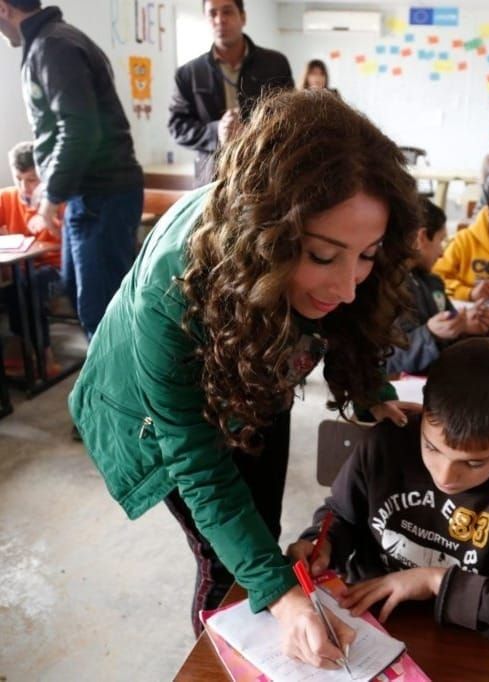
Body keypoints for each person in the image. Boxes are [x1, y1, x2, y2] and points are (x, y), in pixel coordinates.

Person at [68, 90, 422, 669]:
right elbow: (200, 467)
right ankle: (219, 659)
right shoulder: (171, 294)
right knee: (228, 560)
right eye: (325, 256)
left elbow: (353, 314)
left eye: (368, 254)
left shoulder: (325, 256)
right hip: (158, 411)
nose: (349, 285)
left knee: (260, 524)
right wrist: (281, 596)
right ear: (267, 238)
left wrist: (370, 387)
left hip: (251, 363)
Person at [288, 337, 489, 649]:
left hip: (456, 638)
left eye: (473, 463)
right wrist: (322, 542)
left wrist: (435, 581)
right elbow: (341, 514)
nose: (445, 476)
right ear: (422, 411)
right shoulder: (384, 445)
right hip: (365, 617)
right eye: (431, 447)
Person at [0, 0, 144, 338]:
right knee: (76, 289)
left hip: (102, 197)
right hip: (93, 196)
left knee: (103, 314)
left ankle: (121, 389)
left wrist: (51, 196)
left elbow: (79, 128)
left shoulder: (54, 45)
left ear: (4, 8)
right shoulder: (51, 41)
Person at [168, 0, 294, 185]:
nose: (220, 20)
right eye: (212, 14)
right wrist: (215, 132)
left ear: (243, 17)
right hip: (212, 179)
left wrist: (255, 132)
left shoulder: (275, 64)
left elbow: (292, 117)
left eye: (227, 12)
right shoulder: (189, 73)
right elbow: (177, 126)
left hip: (264, 175)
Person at [386, 197, 489, 376]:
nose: (442, 252)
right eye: (441, 240)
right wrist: (430, 334)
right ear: (421, 237)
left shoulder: (431, 283)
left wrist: (465, 327)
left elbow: (449, 330)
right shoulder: (384, 289)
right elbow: (383, 363)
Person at [0, 140, 61, 374]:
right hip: (18, 269)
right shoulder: (6, 198)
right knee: (16, 285)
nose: (25, 187)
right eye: (19, 179)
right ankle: (22, 346)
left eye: (32, 180)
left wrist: (51, 221)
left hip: (55, 268)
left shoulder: (57, 200)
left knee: (28, 286)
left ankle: (43, 353)